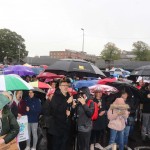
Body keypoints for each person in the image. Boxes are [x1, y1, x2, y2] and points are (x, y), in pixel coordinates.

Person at [50, 79, 73, 150]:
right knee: (57, 145)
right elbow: (55, 110)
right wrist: (67, 102)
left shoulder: (68, 95)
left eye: (67, 85)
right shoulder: (55, 97)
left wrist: (73, 107)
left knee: (65, 145)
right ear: (59, 87)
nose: (66, 87)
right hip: (57, 127)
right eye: (64, 85)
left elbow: (70, 110)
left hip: (66, 126)